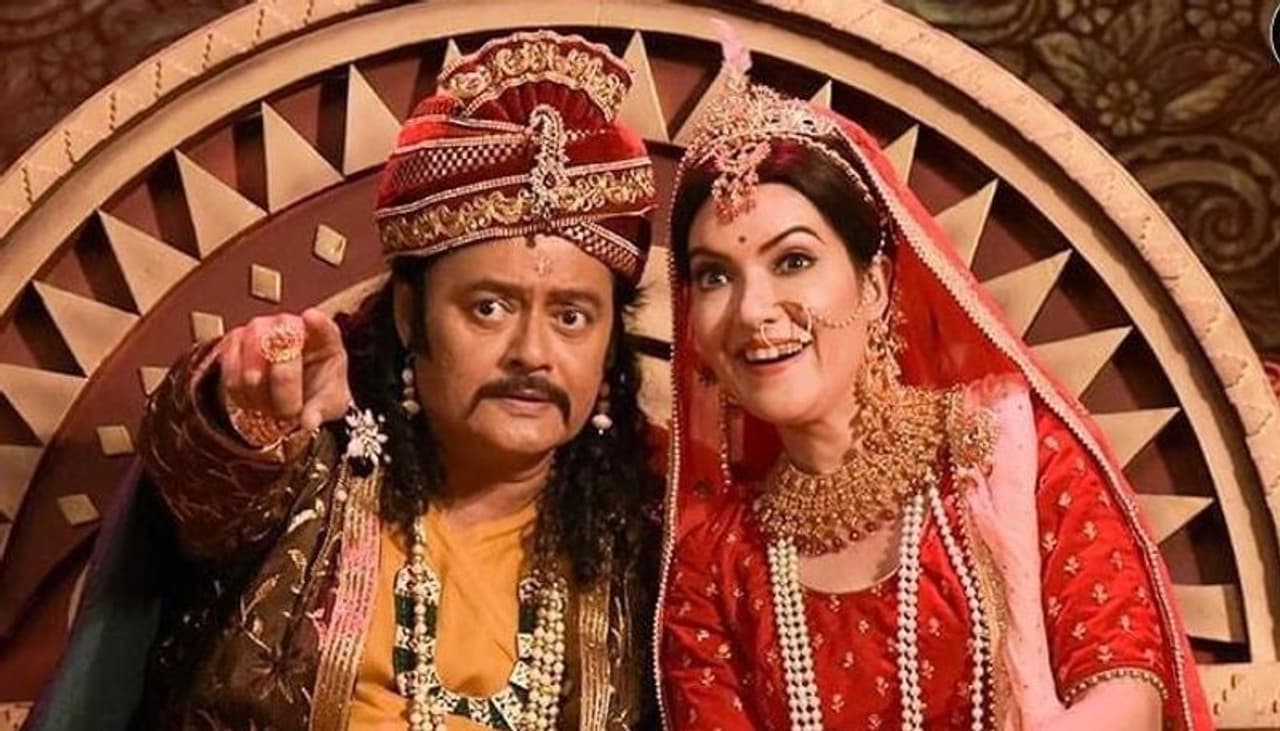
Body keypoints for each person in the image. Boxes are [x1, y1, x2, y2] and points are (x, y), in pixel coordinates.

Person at [656, 32, 1212, 730]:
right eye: (714, 276)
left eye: (793, 261)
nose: (752, 311)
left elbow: (1124, 696)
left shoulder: (1012, 457)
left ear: (876, 286)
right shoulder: (714, 567)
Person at [127, 30, 661, 730]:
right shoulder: (313, 471)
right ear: (410, 315)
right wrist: (245, 399)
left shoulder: (646, 541)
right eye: (489, 307)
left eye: (571, 316)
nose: (532, 353)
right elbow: (194, 459)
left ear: (610, 344)